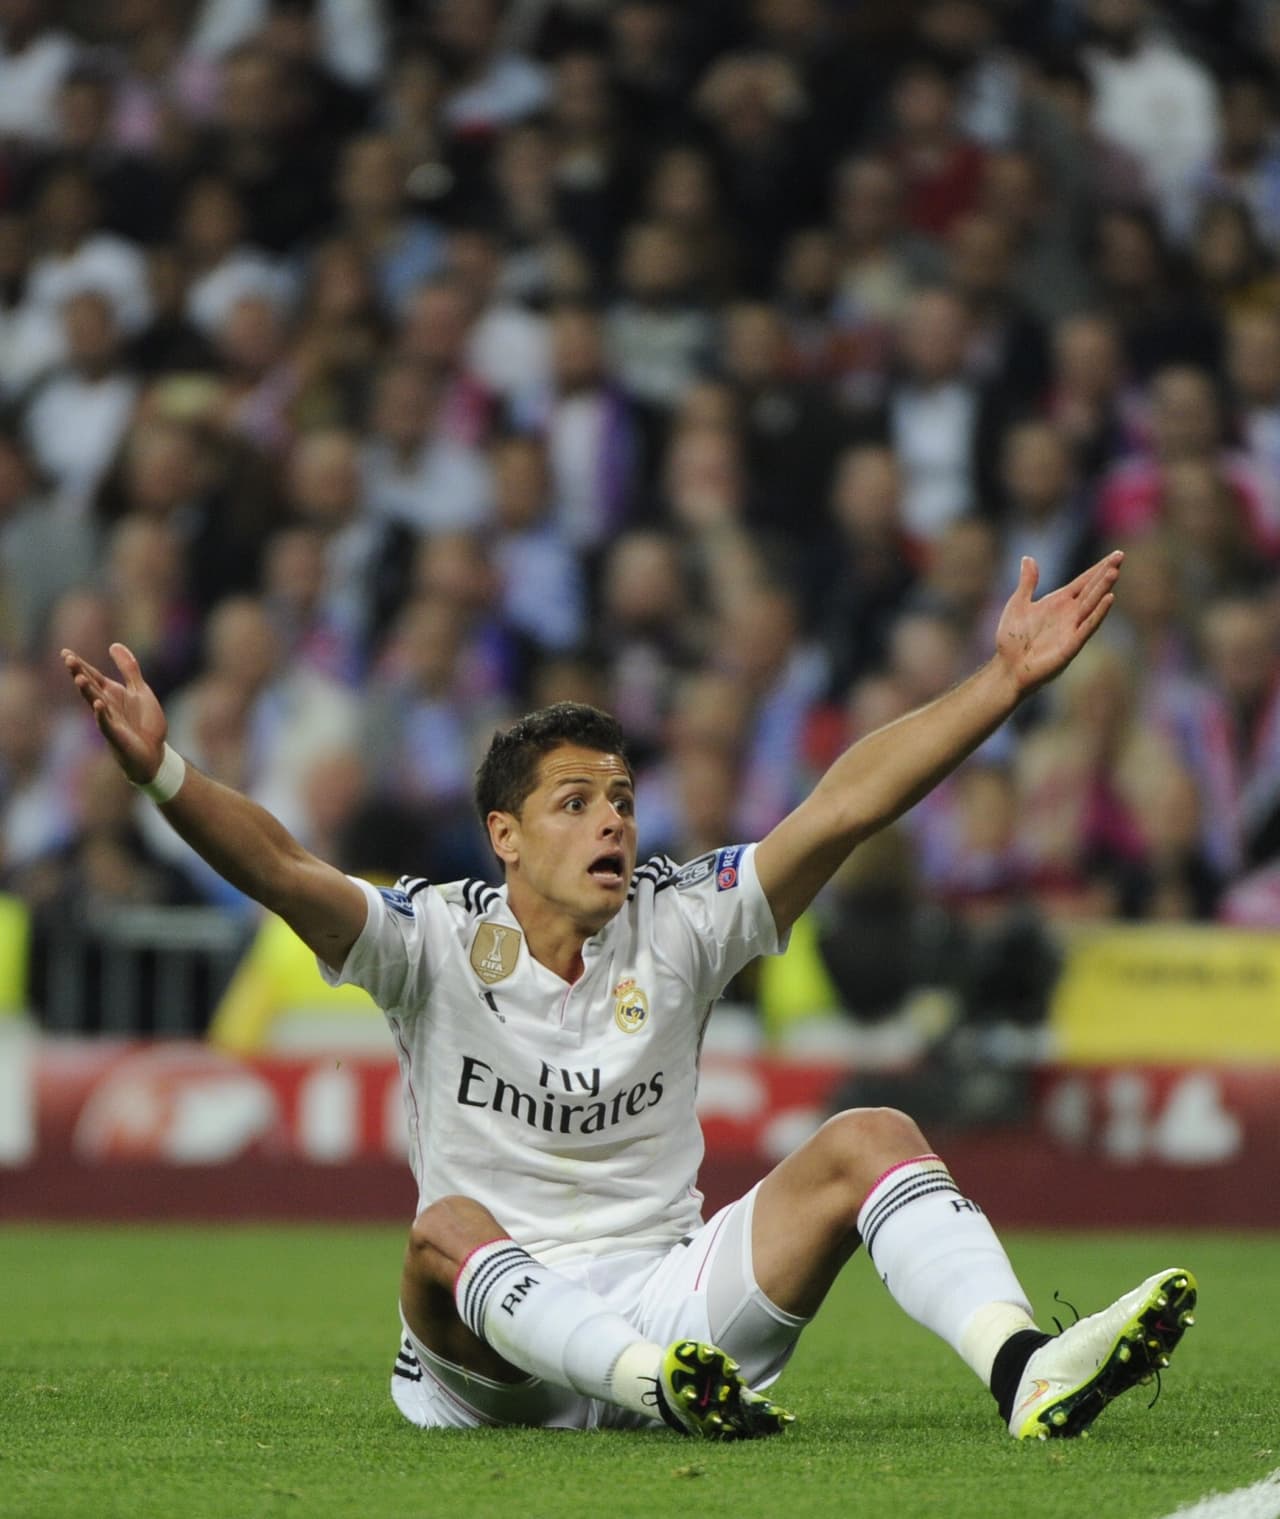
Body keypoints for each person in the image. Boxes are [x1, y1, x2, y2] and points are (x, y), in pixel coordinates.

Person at [60, 547, 1198, 1442]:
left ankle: (1020, 1366)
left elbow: (843, 806)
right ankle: (646, 1385)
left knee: (871, 1137)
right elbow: (282, 865)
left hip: (669, 1302)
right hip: (494, 1362)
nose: (612, 817)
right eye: (573, 800)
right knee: (439, 1231)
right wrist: (164, 772)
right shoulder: (432, 938)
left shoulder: (681, 913)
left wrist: (1000, 679)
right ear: (502, 835)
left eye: (620, 795)